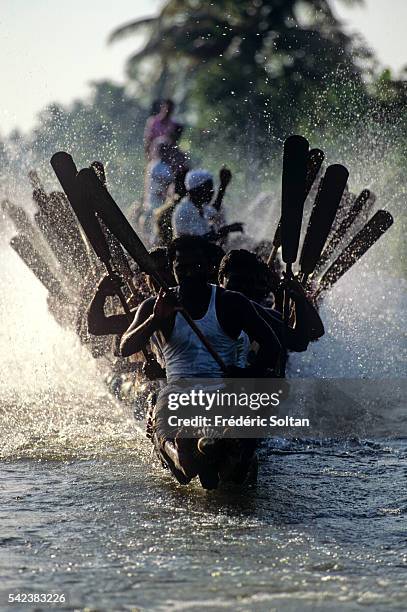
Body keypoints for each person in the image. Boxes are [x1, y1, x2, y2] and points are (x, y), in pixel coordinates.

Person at [120, 235, 282, 488]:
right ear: (172, 269)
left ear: (209, 268)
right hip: (177, 393)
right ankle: (190, 449)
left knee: (232, 476)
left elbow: (274, 346)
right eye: (181, 267)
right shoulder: (155, 304)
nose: (188, 273)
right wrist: (155, 318)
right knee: (185, 471)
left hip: (223, 394)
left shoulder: (231, 301)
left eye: (196, 266)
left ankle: (221, 448)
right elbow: (125, 346)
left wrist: (247, 374)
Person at [218, 249, 325, 371]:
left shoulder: (254, 310)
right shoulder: (207, 298)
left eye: (248, 283)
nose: (242, 288)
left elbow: (311, 333)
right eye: (237, 281)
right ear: (221, 278)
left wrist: (299, 299)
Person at [172, 169, 243, 241]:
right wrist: (226, 229)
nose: (212, 192)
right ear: (197, 190)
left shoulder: (197, 206)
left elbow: (214, 209)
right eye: (208, 188)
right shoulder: (185, 211)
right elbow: (201, 239)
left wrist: (223, 185)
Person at [143, 139, 174, 244]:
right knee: (157, 224)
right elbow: (167, 183)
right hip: (159, 200)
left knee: (152, 223)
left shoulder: (152, 165)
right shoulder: (164, 167)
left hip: (151, 198)